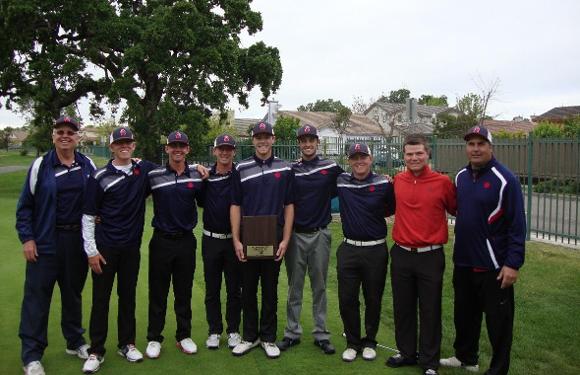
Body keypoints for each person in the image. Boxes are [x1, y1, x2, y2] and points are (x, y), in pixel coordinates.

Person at [440, 126, 526, 375]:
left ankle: (498, 369)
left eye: (481, 144)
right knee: (464, 315)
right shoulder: (461, 177)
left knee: (498, 323)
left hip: (494, 265)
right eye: (471, 144)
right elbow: (461, 211)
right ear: (466, 148)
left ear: (490, 147)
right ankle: (466, 357)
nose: (475, 148)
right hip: (464, 260)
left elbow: (517, 224)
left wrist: (513, 263)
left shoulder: (505, 179)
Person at [16, 116, 96, 375]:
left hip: (76, 243)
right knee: (37, 299)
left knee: (73, 295)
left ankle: (75, 342)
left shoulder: (87, 165)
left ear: (77, 137)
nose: (65, 136)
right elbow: (25, 206)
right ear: (53, 136)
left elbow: (96, 202)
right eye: (60, 132)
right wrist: (27, 238)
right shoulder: (42, 165)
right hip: (46, 242)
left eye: (70, 132)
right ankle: (31, 355)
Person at [81, 127, 157, 373]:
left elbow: (175, 166)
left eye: (128, 142)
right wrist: (91, 251)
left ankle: (127, 344)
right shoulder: (100, 176)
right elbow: (89, 216)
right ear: (112, 147)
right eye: (119, 143)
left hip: (130, 249)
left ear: (134, 146)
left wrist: (199, 168)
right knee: (100, 300)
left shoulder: (142, 170)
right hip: (105, 248)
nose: (124, 146)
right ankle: (96, 350)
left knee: (128, 297)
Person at [385, 134, 456, 375]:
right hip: (402, 254)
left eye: (419, 153)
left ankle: (429, 362)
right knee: (403, 308)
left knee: (430, 309)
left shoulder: (443, 182)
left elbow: (457, 209)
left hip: (430, 256)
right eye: (409, 154)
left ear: (428, 154)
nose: (414, 158)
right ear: (403, 156)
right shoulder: (398, 180)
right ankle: (406, 353)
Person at [229, 121, 294, 359]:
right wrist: (236, 240)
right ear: (253, 140)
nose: (263, 140)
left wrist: (286, 239)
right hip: (248, 241)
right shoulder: (241, 168)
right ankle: (249, 336)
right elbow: (235, 205)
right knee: (247, 291)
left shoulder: (285, 168)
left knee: (269, 290)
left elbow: (289, 206)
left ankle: (267, 337)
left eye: (267, 136)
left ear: (273, 139)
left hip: (274, 240)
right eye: (258, 137)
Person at [277, 124, 343, 355]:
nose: (307, 144)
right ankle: (292, 332)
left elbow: (350, 181)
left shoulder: (331, 167)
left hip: (320, 233)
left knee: (320, 286)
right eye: (303, 140)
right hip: (295, 235)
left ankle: (321, 334)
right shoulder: (290, 169)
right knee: (295, 287)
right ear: (299, 143)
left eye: (311, 140)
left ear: (317, 142)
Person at [144, 131, 203, 359]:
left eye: (182, 146)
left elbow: (208, 200)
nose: (177, 149)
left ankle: (183, 335)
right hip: (161, 241)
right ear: (167, 148)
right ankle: (154, 337)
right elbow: (130, 195)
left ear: (187, 149)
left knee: (183, 291)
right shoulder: (155, 175)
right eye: (173, 146)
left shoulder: (197, 175)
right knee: (158, 291)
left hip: (186, 241)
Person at [336, 142, 395, 362]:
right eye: (354, 158)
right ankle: (352, 342)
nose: (359, 161)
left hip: (376, 249)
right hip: (349, 248)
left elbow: (391, 207)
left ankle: (370, 341)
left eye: (363, 157)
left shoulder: (384, 183)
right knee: (347, 298)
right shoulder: (341, 182)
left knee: (373, 298)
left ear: (371, 159)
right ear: (349, 161)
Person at [199, 134, 242, 350]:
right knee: (212, 288)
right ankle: (214, 330)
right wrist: (196, 166)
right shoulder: (206, 175)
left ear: (234, 151)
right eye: (221, 149)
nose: (225, 152)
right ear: (214, 151)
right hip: (211, 239)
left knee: (234, 289)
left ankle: (233, 330)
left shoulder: (240, 174)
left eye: (229, 149)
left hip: (234, 241)